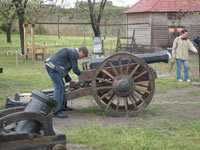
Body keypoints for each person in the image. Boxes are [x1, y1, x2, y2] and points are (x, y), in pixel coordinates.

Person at [45, 46, 88, 118]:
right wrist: (84, 76)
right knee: (59, 87)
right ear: (80, 52)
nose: (81, 58)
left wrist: (69, 80)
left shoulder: (71, 53)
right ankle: (57, 111)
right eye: (82, 56)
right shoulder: (73, 53)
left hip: (55, 68)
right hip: (52, 67)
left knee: (62, 86)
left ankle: (62, 106)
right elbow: (75, 69)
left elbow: (64, 69)